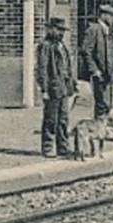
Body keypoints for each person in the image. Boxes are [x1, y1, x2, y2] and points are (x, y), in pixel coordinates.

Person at [36, 17, 77, 158]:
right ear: (50, 29)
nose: (61, 33)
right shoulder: (45, 46)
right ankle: (48, 147)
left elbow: (68, 67)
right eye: (58, 29)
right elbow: (42, 69)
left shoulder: (62, 46)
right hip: (53, 87)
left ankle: (63, 147)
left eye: (62, 30)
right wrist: (44, 89)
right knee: (51, 119)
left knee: (64, 118)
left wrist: (72, 85)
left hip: (64, 87)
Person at [80, 4, 113, 133]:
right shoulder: (93, 30)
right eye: (112, 16)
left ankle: (103, 127)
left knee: (107, 102)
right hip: (99, 73)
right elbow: (86, 51)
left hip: (109, 73)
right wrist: (94, 70)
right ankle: (101, 129)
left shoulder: (109, 33)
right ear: (104, 15)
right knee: (102, 102)